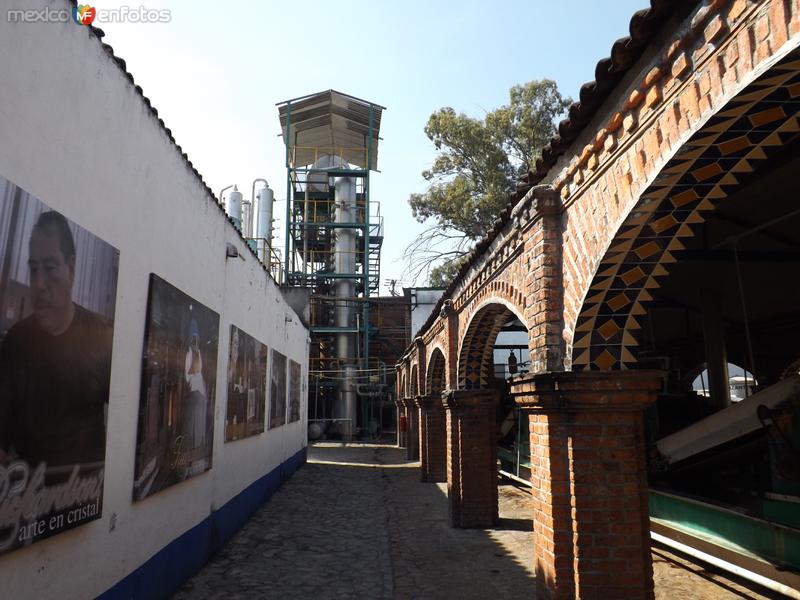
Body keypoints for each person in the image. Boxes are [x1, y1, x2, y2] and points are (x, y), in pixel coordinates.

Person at [0, 211, 113, 469]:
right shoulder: (15, 344)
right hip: (28, 502)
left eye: (50, 268)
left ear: (71, 270)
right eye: (33, 269)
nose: (39, 284)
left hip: (88, 499)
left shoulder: (102, 336)